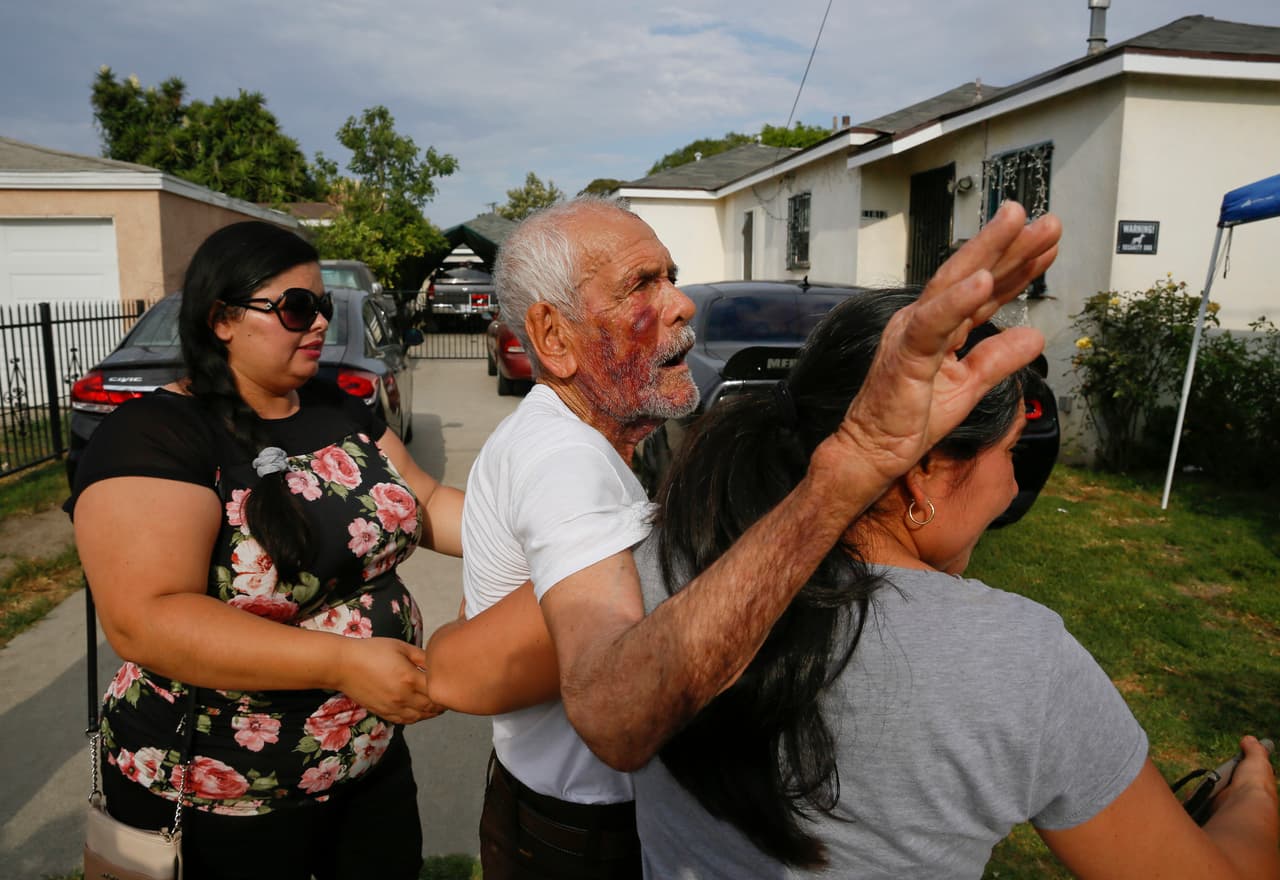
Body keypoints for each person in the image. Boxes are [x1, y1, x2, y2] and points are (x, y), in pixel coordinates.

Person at [422, 196, 1060, 878]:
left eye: (671, 276)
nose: (681, 304)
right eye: (642, 284)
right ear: (553, 338)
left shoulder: (557, 437)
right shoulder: (567, 464)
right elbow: (607, 704)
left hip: (547, 808)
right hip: (583, 832)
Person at [630, 288, 1280, 879]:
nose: (1010, 485)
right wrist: (1252, 799)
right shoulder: (1021, 661)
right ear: (925, 475)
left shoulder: (669, 563)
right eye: (1008, 453)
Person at [69, 221, 461, 880]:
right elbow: (146, 617)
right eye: (296, 307)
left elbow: (425, 502)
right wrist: (344, 663)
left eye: (323, 308)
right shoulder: (155, 435)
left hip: (364, 764)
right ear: (222, 318)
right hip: (223, 796)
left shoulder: (337, 406)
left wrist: (545, 536)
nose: (319, 326)